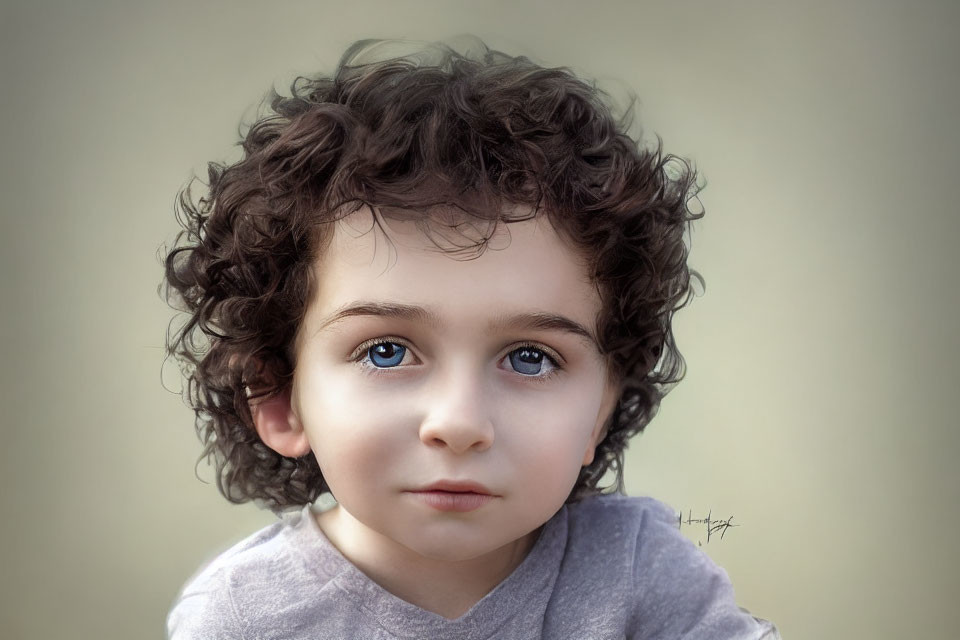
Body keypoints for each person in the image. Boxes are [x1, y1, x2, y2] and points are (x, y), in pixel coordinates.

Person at [162, 36, 781, 639]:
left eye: (530, 358)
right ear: (278, 397)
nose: (459, 423)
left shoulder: (642, 572)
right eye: (387, 350)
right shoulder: (241, 620)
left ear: (600, 410)